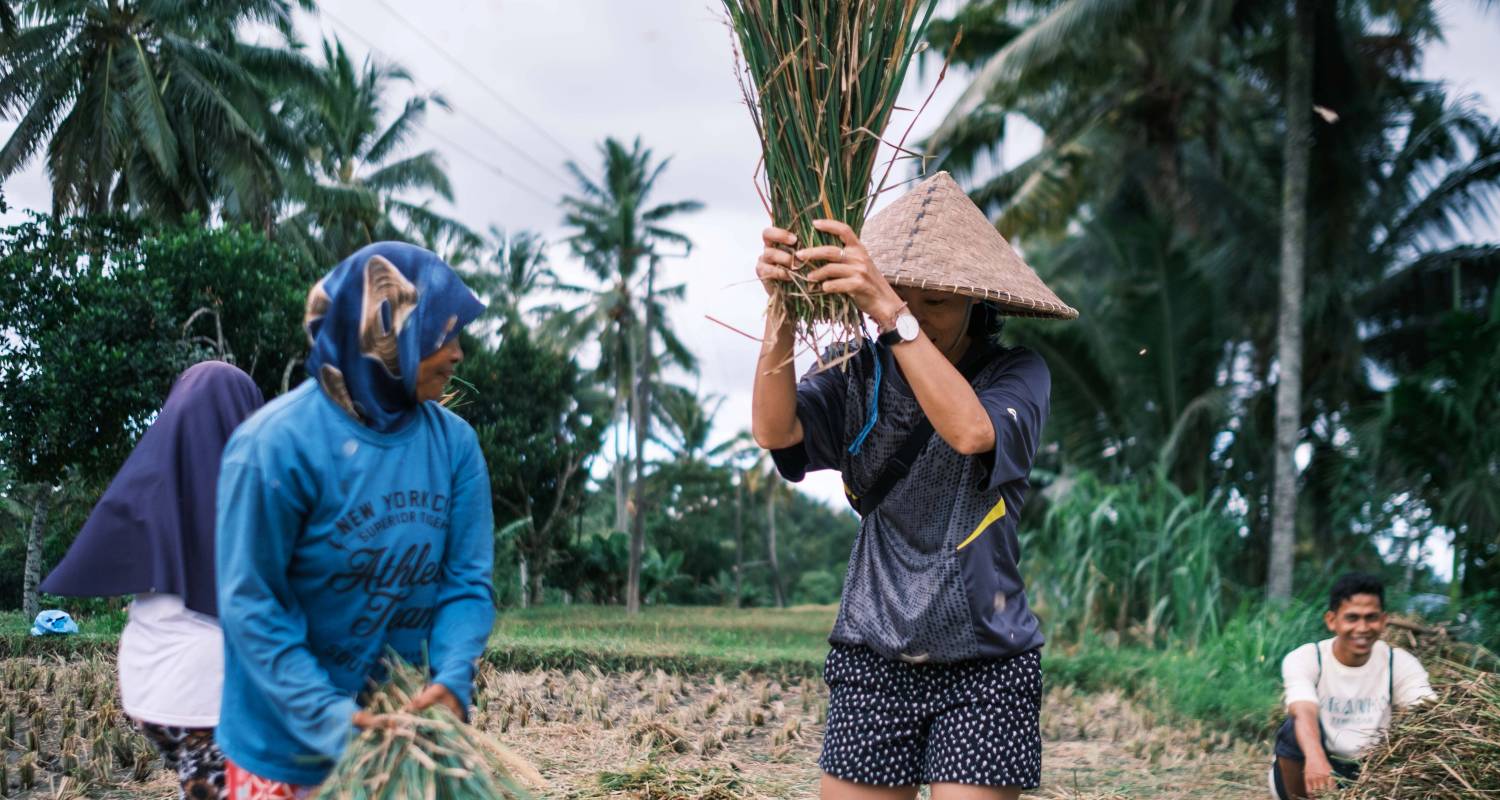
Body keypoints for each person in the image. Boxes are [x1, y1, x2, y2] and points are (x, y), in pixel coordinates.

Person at [750, 172, 1077, 800]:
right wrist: (781, 307)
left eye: (939, 304)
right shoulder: (855, 371)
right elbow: (774, 428)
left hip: (985, 663)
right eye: (906, 294)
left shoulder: (1016, 373)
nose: (920, 316)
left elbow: (971, 433)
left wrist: (894, 317)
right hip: (872, 651)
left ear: (978, 305)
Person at [213, 242, 495, 798]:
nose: (458, 354)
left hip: (405, 744)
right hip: (285, 751)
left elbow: (466, 583)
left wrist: (451, 677)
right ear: (385, 337)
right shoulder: (274, 449)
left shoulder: (454, 446)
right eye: (443, 336)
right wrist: (326, 715)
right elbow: (253, 604)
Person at [40, 360, 266, 800]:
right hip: (210, 691)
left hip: (148, 688)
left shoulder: (147, 479)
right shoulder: (250, 489)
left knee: (199, 781)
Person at [1270, 572, 1435, 799]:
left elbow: (1424, 712)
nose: (1363, 628)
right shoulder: (1308, 657)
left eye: (1371, 617)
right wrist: (1316, 757)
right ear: (1332, 620)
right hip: (1313, 765)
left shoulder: (1399, 662)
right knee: (1292, 728)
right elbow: (1302, 708)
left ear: (1384, 620)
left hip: (1371, 771)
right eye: (1352, 618)